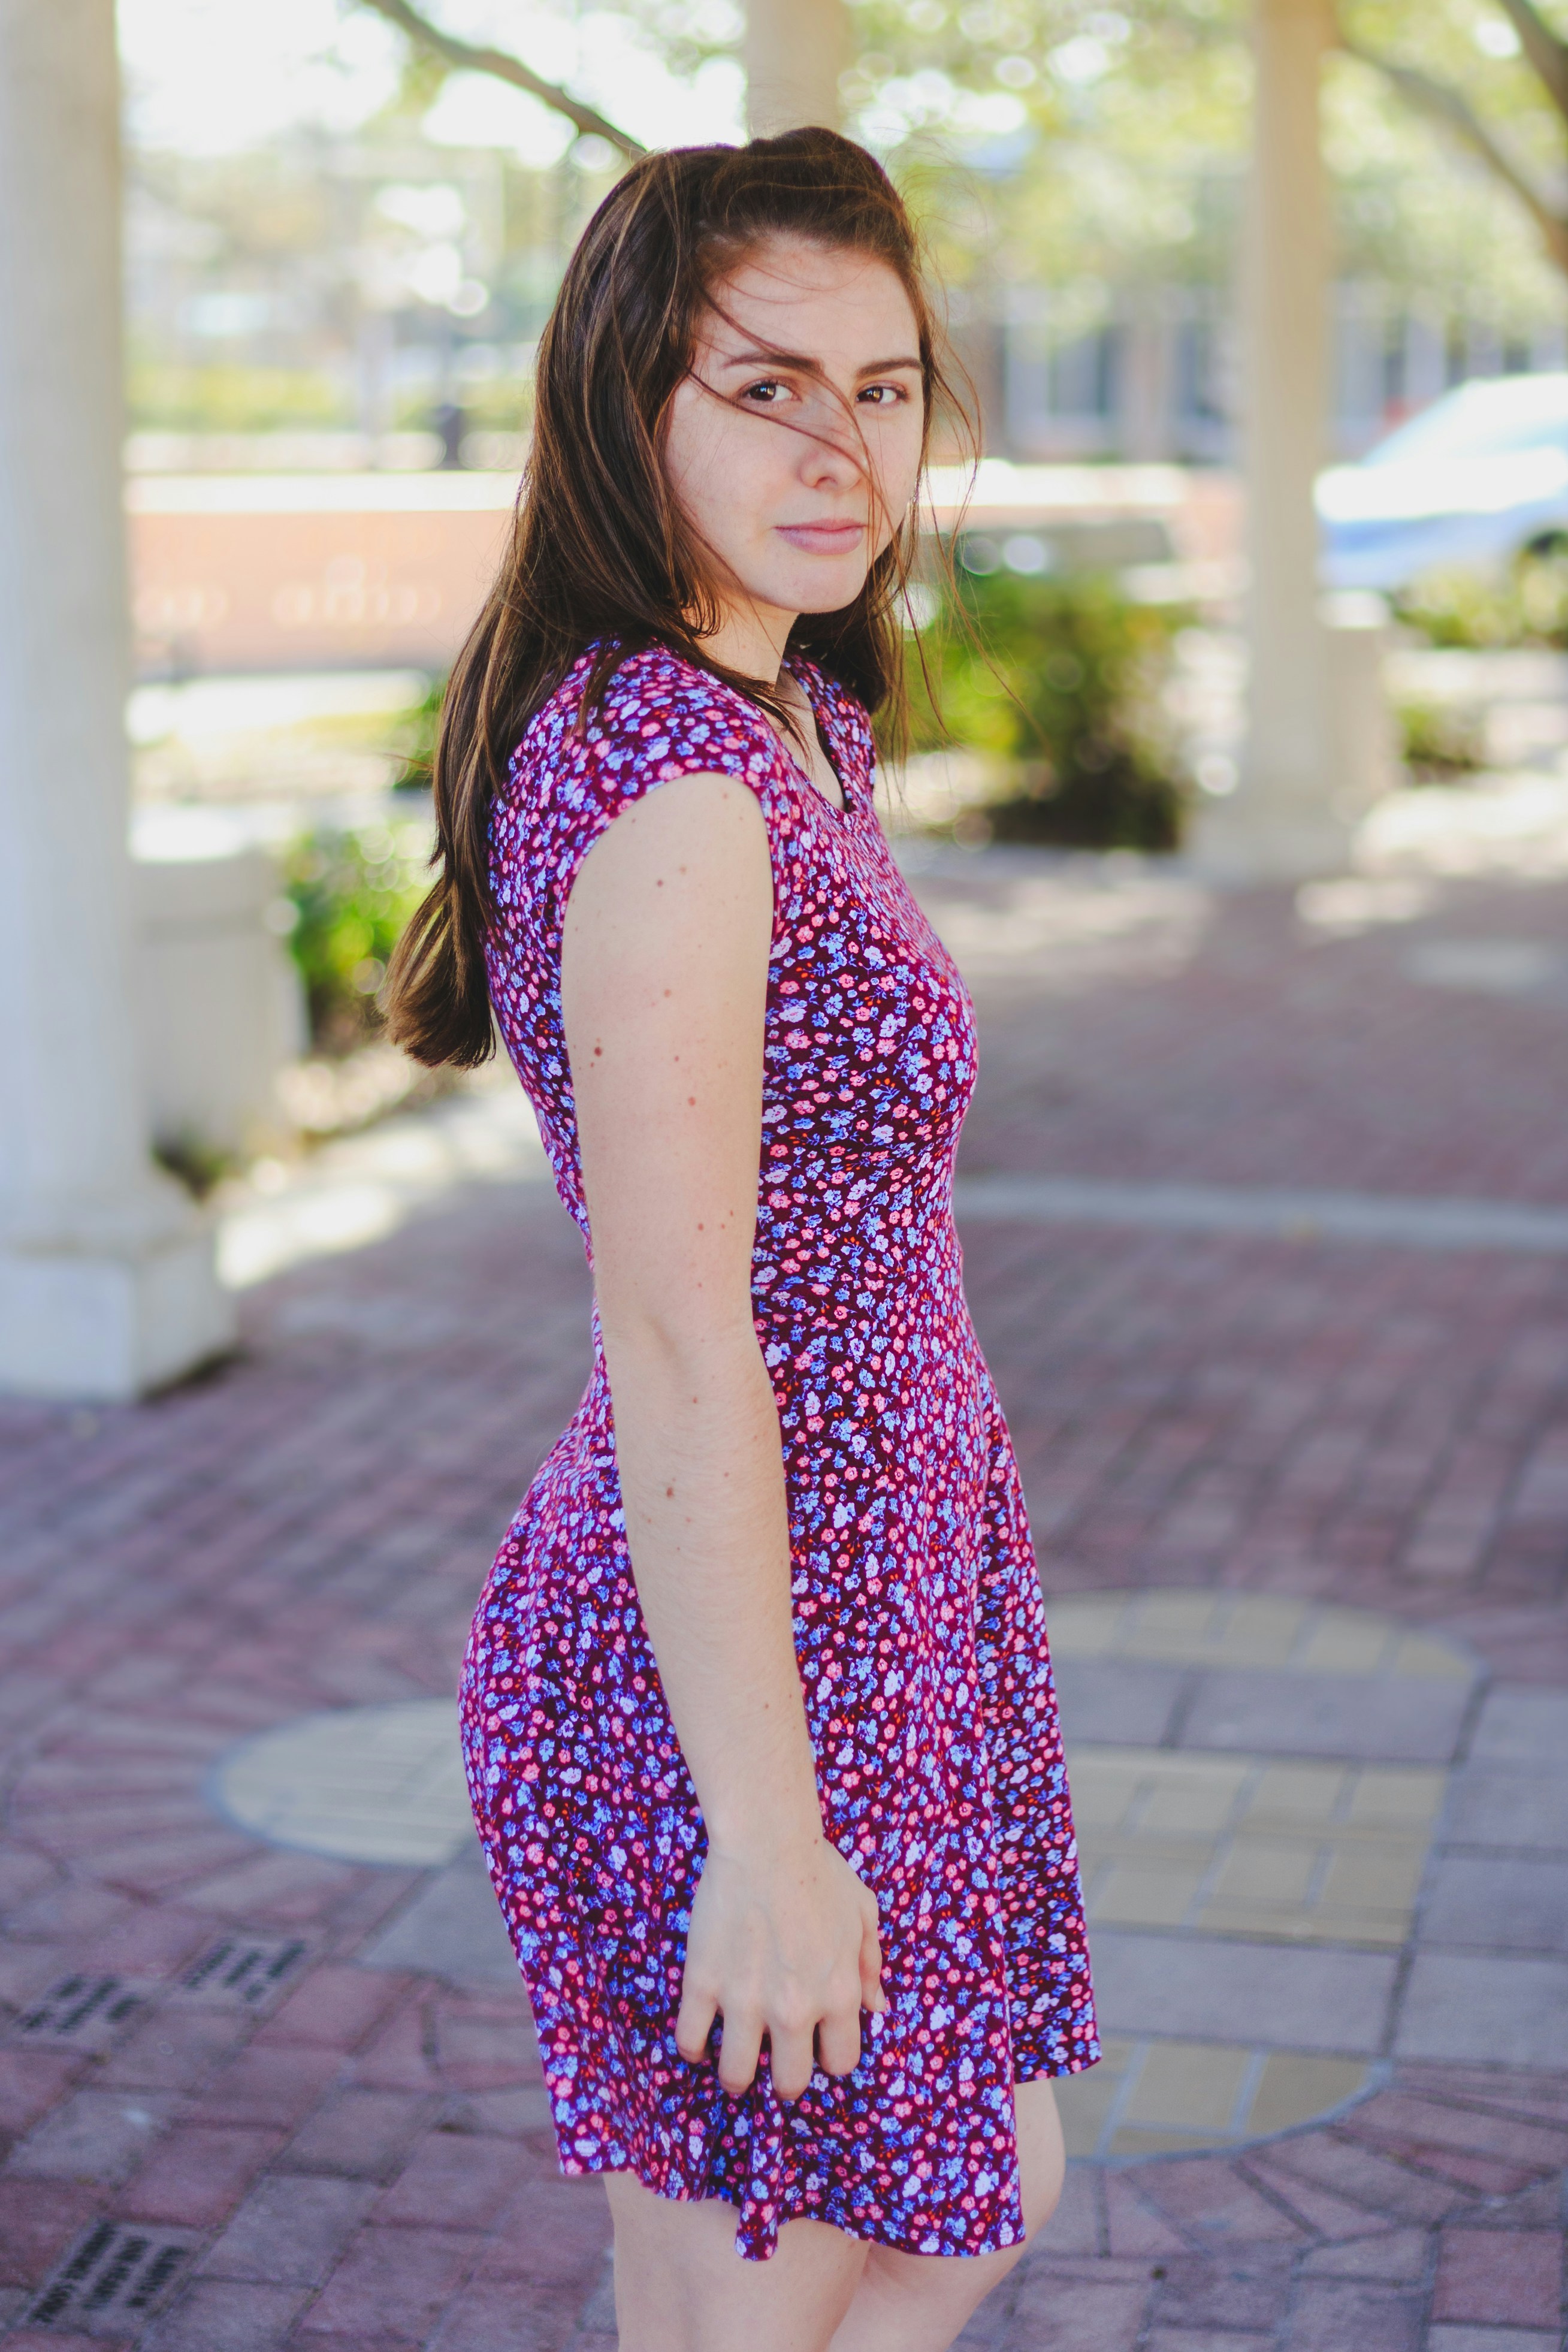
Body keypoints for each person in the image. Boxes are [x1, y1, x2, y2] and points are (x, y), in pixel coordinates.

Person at [385, 126, 1098, 2352]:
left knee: (962, 2184)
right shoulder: (678, 791)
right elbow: (687, 1345)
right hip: (729, 1666)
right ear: (631, 403)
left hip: (880, 1603)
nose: (840, 444)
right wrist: (762, 1838)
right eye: (764, 384)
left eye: (880, 389)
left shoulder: (784, 717)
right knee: (766, 2289)